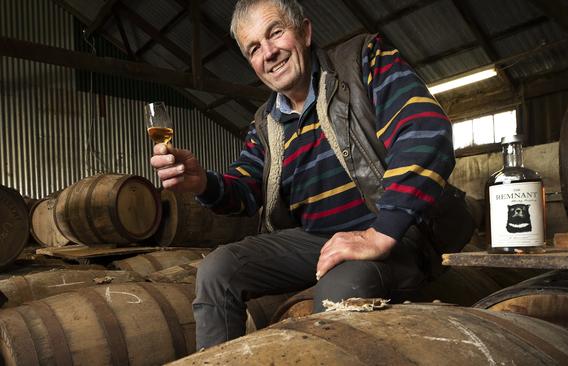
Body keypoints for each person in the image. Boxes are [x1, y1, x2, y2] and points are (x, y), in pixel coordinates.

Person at [150, 0, 461, 350]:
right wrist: (203, 182)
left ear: (306, 31)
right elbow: (247, 187)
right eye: (254, 48)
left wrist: (380, 232)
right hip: (313, 241)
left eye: (276, 32)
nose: (268, 52)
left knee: (339, 288)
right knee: (217, 271)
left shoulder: (363, 60)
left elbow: (424, 129)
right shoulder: (266, 122)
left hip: (391, 232)